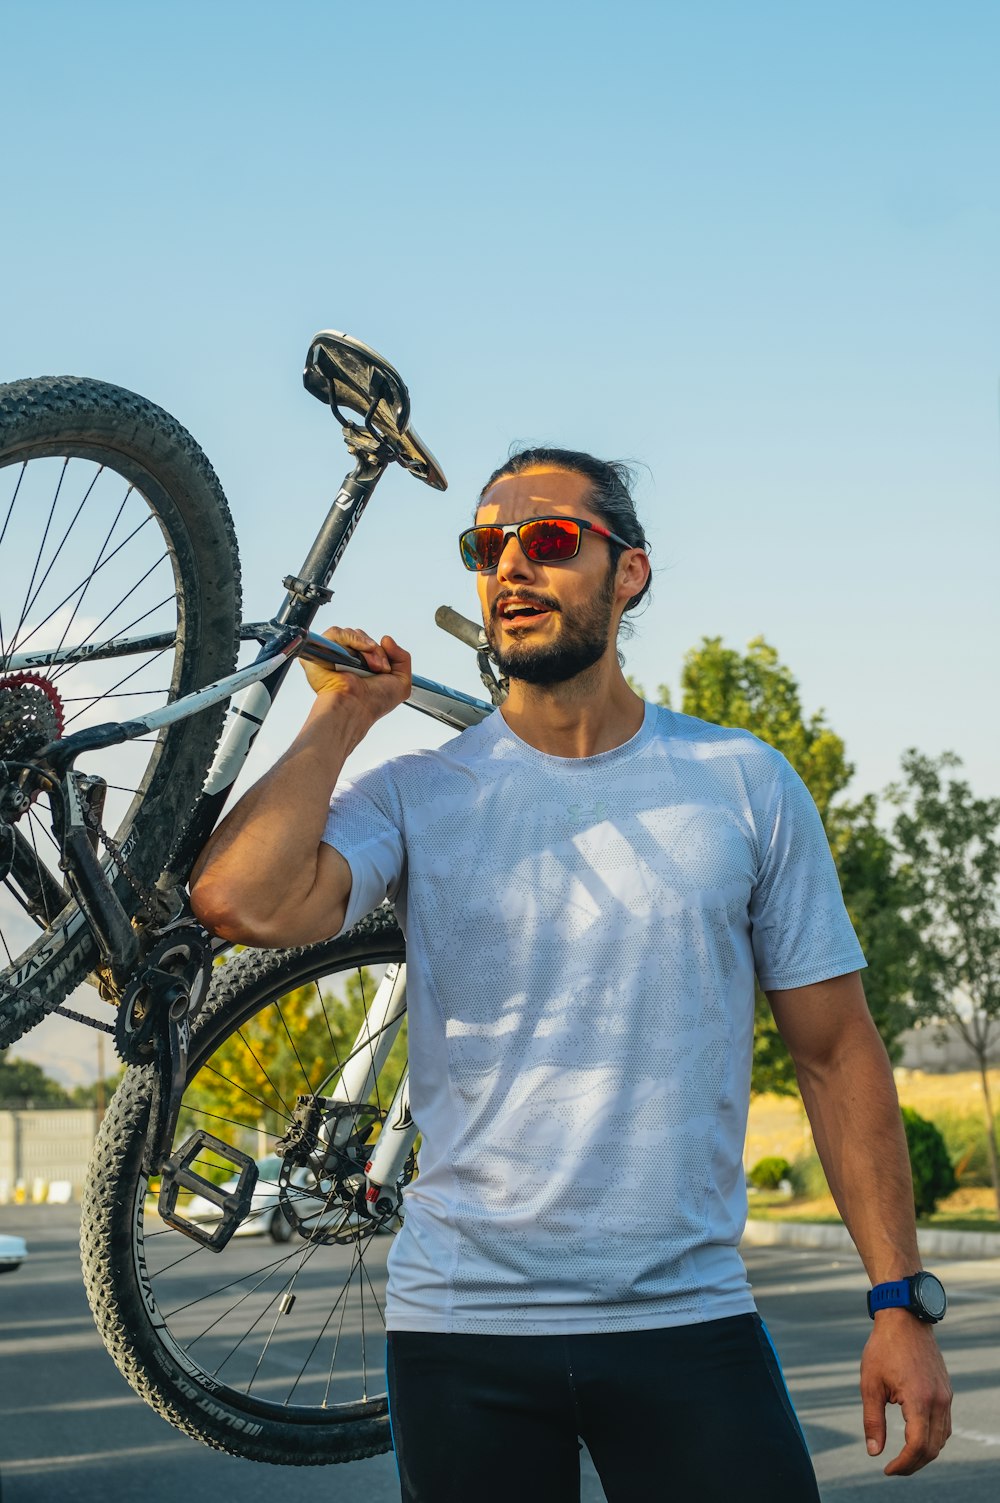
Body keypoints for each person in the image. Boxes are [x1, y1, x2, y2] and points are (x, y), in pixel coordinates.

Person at [190, 448, 952, 1501]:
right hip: (462, 1331)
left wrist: (897, 1302)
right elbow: (242, 899)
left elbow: (832, 1052)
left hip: (686, 1320)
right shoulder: (418, 790)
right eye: (486, 546)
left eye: (546, 541)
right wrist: (341, 716)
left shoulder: (742, 783)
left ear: (627, 572)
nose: (511, 568)